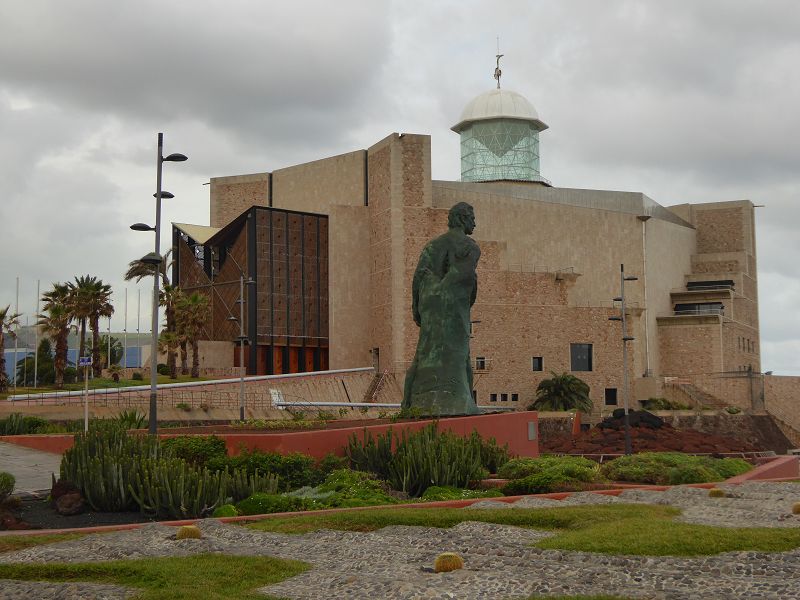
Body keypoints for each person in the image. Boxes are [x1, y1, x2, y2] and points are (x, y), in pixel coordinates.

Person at [402, 201, 481, 416]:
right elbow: (463, 279)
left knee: (425, 350)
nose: (475, 223)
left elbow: (418, 276)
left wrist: (416, 306)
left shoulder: (432, 246)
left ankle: (414, 402)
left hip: (429, 303)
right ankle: (457, 402)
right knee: (457, 352)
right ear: (463, 219)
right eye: (472, 218)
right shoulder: (469, 247)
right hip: (452, 307)